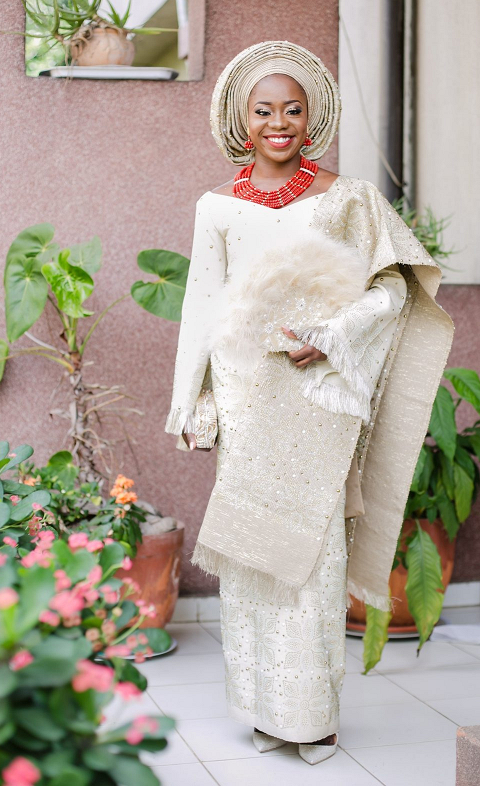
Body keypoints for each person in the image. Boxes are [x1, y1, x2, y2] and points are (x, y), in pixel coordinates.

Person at [166, 41, 454, 764]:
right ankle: (265, 709)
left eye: (293, 109)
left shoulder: (347, 198)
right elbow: (202, 305)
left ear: (313, 116)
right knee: (255, 554)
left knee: (313, 556)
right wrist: (190, 401)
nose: (279, 122)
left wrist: (333, 334)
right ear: (240, 118)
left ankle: (314, 715)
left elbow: (391, 290)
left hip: (320, 397)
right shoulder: (216, 207)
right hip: (248, 401)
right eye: (264, 110)